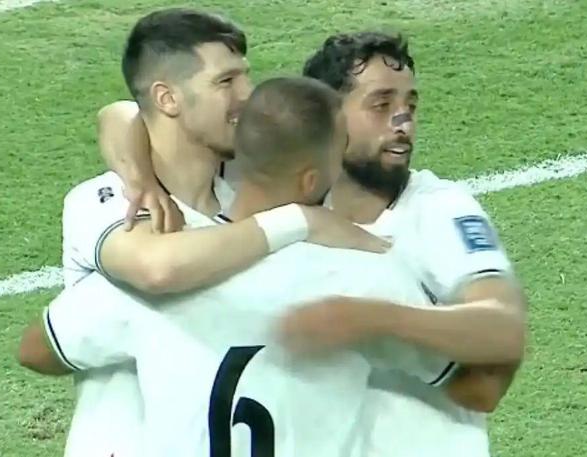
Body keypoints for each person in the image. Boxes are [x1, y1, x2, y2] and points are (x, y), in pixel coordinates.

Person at [98, 31, 527, 456]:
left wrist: (367, 319)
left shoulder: (436, 210)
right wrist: (139, 177)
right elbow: (122, 115)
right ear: (329, 114)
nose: (403, 123)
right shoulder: (275, 196)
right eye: (381, 105)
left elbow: (499, 338)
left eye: (410, 106)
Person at [20, 76, 456, 457]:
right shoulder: (368, 275)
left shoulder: (163, 273)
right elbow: (467, 380)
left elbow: (36, 350)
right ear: (311, 180)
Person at [53, 9, 387, 457]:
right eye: (226, 81)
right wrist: (298, 221)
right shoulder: (107, 202)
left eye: (245, 76)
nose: (248, 95)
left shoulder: (245, 190)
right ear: (168, 98)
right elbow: (157, 269)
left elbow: (119, 114)